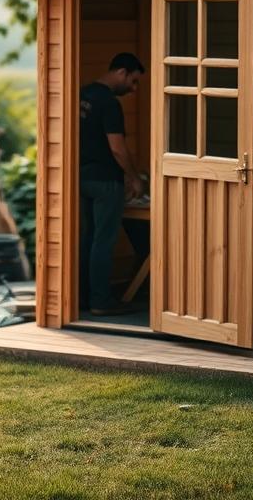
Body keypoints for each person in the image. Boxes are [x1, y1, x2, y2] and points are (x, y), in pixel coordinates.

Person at [79, 52, 145, 315]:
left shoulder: (83, 95)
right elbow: (117, 148)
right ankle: (101, 301)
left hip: (82, 177)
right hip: (106, 180)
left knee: (90, 237)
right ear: (122, 72)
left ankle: (82, 298)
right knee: (104, 241)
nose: (133, 88)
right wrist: (133, 176)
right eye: (134, 81)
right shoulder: (109, 103)